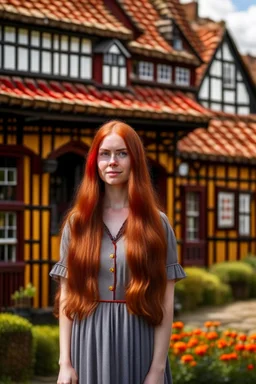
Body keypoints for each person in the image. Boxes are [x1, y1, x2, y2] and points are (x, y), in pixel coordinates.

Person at [50, 120, 186, 384]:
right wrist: (65, 363)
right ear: (95, 162)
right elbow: (67, 296)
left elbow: (165, 300)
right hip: (87, 342)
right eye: (105, 154)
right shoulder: (77, 223)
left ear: (134, 160)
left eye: (122, 153)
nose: (112, 162)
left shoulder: (157, 224)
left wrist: (157, 369)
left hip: (139, 342)